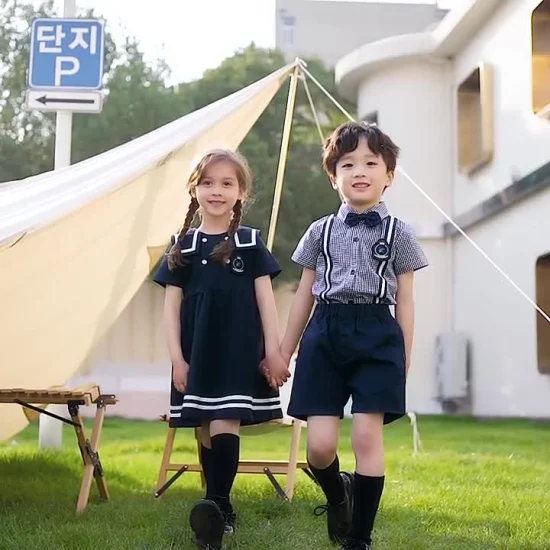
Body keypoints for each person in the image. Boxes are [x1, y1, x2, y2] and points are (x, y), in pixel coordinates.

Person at [279, 122, 429, 550]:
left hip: (378, 335)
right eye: (347, 164)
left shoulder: (398, 232)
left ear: (389, 175)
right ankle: (337, 493)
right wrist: (284, 352)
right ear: (333, 176)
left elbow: (406, 301)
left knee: (366, 436)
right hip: (324, 334)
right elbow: (303, 295)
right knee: (319, 450)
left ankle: (358, 539)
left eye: (370, 162)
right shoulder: (319, 232)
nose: (359, 171)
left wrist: (405, 354)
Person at [153, 148, 290, 550]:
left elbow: (267, 302)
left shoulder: (249, 243)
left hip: (238, 351)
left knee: (225, 421)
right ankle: (219, 510)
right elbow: (171, 307)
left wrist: (274, 352)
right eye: (208, 182)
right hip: (196, 353)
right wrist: (177, 358)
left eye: (227, 183)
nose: (216, 191)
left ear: (241, 192)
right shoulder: (183, 246)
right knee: (205, 429)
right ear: (194, 189)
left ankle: (217, 506)